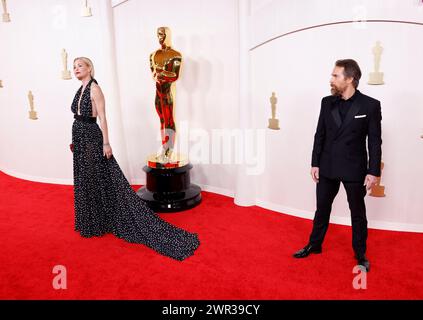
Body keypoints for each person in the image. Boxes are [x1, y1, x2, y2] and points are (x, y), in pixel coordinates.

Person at [70, 57, 200, 260]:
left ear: (89, 69)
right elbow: (78, 115)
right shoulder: (80, 89)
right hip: (79, 137)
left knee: (99, 176)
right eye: (74, 66)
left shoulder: (94, 89)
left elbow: (103, 117)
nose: (76, 69)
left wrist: (106, 143)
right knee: (86, 177)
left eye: (80, 66)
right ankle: (94, 220)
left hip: (91, 137)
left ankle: (102, 219)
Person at [293, 59, 382, 272]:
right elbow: (319, 134)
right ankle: (314, 245)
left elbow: (374, 141)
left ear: (350, 79)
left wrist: (373, 171)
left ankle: (360, 254)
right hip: (328, 165)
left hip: (354, 169)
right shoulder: (326, 102)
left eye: (335, 76)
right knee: (322, 209)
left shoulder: (370, 105)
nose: (331, 79)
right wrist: (315, 162)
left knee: (357, 213)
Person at [149, 27, 182, 162]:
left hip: (168, 92)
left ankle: (169, 151)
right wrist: (158, 74)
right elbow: (153, 74)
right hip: (158, 92)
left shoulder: (175, 55)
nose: (160, 37)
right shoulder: (153, 55)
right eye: (158, 34)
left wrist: (162, 73)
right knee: (162, 120)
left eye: (162, 34)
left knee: (169, 120)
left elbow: (175, 76)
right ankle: (164, 148)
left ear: (168, 35)